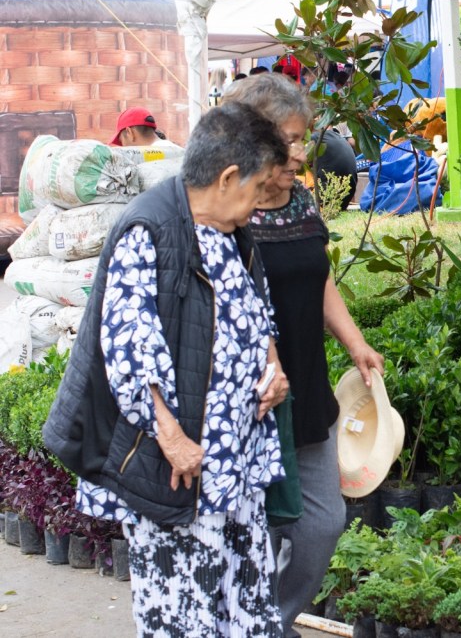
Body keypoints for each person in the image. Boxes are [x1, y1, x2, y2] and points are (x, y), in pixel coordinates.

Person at [43, 102, 292, 637]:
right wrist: (172, 439)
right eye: (257, 188)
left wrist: (271, 367)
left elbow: (258, 310)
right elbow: (130, 349)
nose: (259, 204)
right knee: (183, 615)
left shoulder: (230, 232)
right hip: (179, 467)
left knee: (244, 606)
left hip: (232, 465)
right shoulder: (149, 229)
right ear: (227, 177)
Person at [222, 73, 385, 638]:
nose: (300, 153)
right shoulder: (229, 208)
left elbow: (319, 276)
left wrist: (355, 342)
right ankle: (251, 625)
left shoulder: (301, 201)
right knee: (258, 530)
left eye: (302, 139)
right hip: (252, 399)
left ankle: (273, 619)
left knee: (323, 523)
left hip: (306, 389)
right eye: (290, 140)